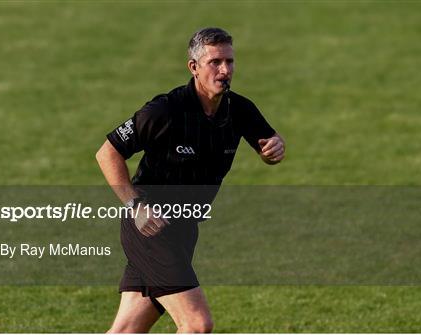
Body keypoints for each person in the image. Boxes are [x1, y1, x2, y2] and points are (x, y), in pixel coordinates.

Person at [96, 27, 285, 333]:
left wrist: (273, 150)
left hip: (184, 229)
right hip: (150, 227)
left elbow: (270, 146)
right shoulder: (164, 111)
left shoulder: (239, 110)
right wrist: (135, 205)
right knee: (197, 324)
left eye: (230, 61)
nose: (225, 70)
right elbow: (107, 153)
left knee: (126, 330)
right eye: (215, 62)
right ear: (194, 67)